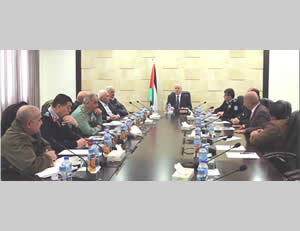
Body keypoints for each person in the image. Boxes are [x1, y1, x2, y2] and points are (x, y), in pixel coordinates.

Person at [1, 105, 57, 175]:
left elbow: (45, 145)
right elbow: (30, 167)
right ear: (29, 124)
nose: (41, 123)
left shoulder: (31, 130)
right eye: (39, 120)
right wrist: (48, 158)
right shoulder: (14, 139)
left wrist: (47, 155)